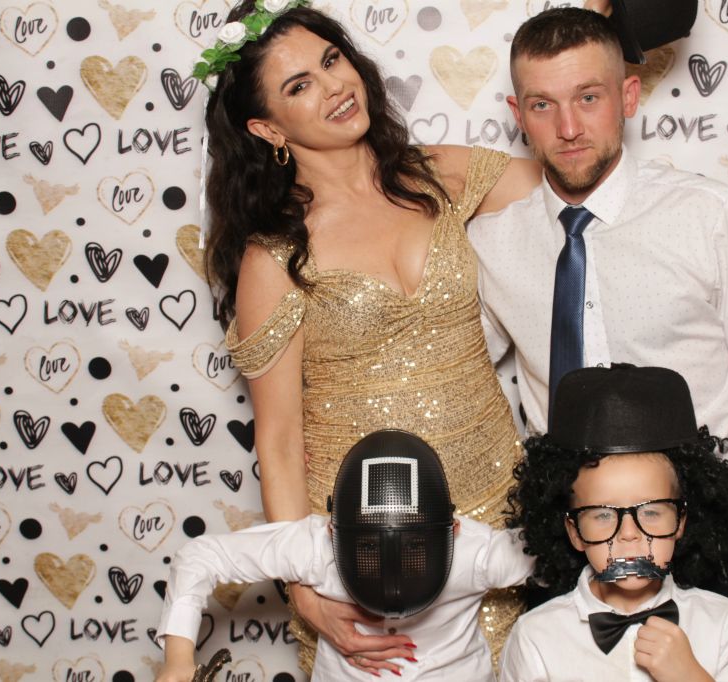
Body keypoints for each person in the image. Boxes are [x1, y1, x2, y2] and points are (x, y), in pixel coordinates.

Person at [195, 1, 543, 674]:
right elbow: (279, 439)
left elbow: (574, 181)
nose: (334, 86)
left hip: (501, 523)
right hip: (373, 553)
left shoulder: (438, 175)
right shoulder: (275, 257)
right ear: (267, 127)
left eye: (332, 60)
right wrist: (305, 593)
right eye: (300, 85)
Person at [467, 8, 728, 678]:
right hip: (570, 543)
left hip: (704, 534)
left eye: (588, 98)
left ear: (628, 96)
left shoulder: (708, 217)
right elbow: (451, 376)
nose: (568, 128)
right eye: (543, 105)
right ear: (518, 114)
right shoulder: (492, 243)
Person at [155, 431, 533, 681]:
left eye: (414, 546)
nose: (390, 565)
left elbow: (555, 551)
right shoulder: (314, 548)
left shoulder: (477, 553)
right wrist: (177, 661)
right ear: (332, 533)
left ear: (454, 531)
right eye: (367, 547)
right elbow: (201, 556)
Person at [500, 364, 728, 681]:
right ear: (574, 531)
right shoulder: (535, 638)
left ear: (681, 520)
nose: (629, 535)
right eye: (603, 514)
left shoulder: (720, 620)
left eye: (651, 512)